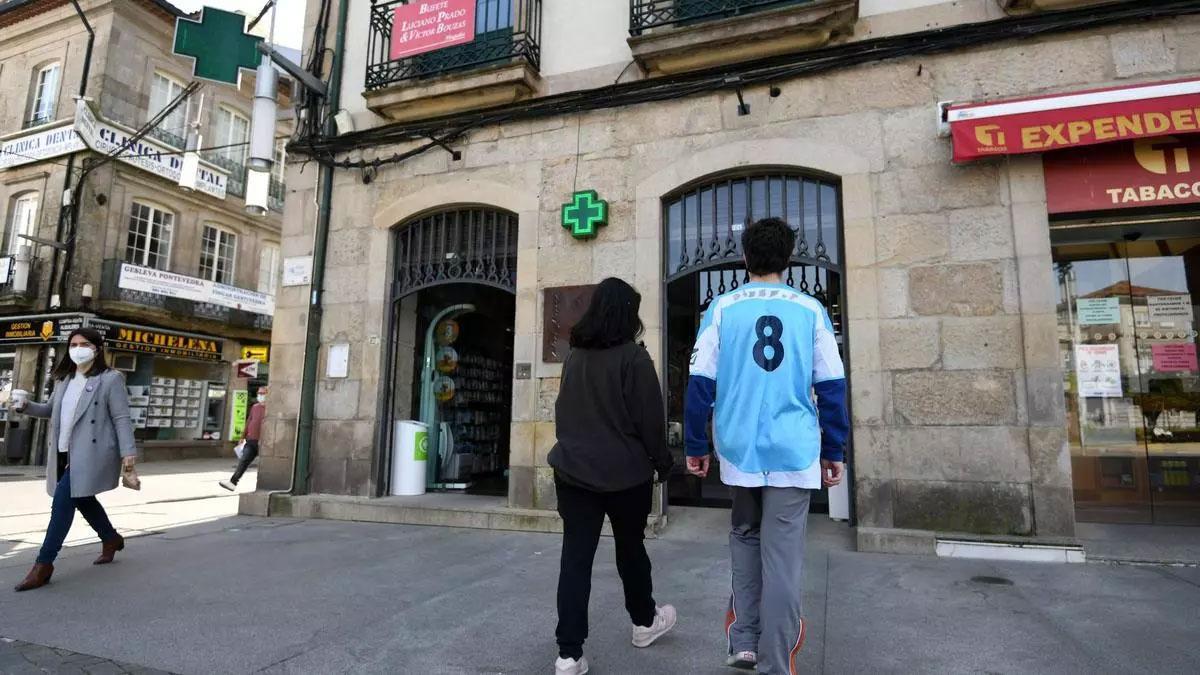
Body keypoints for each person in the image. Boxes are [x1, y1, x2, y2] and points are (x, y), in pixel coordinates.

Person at [684, 217, 849, 674]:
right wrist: (834, 450)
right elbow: (832, 386)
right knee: (783, 558)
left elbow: (699, 382)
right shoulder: (810, 309)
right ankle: (779, 662)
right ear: (790, 258)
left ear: (744, 258)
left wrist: (695, 442)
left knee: (744, 537)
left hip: (739, 450)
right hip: (794, 451)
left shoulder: (723, 307)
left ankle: (744, 642)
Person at [548, 277, 677, 675]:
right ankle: (643, 622)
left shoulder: (574, 357)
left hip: (574, 473)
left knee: (576, 558)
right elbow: (650, 421)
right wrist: (663, 463)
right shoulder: (634, 359)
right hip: (626, 476)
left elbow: (562, 413)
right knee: (630, 551)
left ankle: (569, 653)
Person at [13, 328, 138, 592]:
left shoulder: (110, 379)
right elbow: (49, 411)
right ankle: (111, 538)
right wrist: (25, 406)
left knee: (62, 506)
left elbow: (121, 418)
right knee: (82, 498)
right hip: (61, 452)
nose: (77, 348)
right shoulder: (64, 379)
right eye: (73, 344)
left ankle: (43, 564)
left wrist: (129, 455)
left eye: (84, 344)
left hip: (89, 454)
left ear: (97, 349)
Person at [220, 386, 266, 492]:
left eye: (263, 394)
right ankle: (233, 482)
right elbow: (249, 421)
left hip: (263, 441)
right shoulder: (255, 407)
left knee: (263, 465)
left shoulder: (270, 409)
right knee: (244, 460)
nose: (260, 396)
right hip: (251, 440)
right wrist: (242, 436)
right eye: (259, 393)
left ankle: (263, 486)